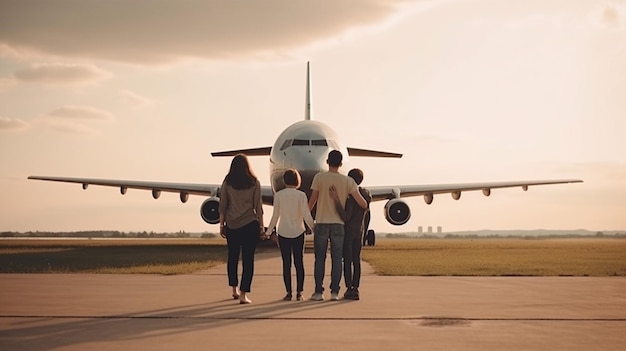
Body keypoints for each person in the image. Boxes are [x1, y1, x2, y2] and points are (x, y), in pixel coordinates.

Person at [307, 150, 368, 301]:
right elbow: (363, 203)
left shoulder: (319, 178)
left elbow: (312, 201)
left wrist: (307, 219)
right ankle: (334, 293)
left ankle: (318, 292)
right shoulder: (348, 181)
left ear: (327, 161)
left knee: (319, 259)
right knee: (337, 259)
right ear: (341, 164)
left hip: (321, 222)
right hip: (338, 225)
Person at [218, 154, 265, 304]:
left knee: (232, 258)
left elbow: (223, 205)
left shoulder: (227, 182)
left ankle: (234, 289)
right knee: (248, 260)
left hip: (232, 225)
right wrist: (261, 227)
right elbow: (258, 207)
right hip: (250, 224)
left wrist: (221, 224)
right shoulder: (254, 182)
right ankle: (244, 294)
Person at [265, 169, 315, 301]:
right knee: (299, 263)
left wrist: (268, 232)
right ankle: (299, 293)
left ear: (284, 180)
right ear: (297, 181)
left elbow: (275, 216)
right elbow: (306, 215)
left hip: (283, 232)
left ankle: (288, 293)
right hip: (298, 232)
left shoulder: (279, 195)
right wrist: (315, 228)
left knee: (286, 264)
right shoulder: (301, 195)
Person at [329, 168, 371, 300]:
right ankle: (356, 288)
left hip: (348, 232)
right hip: (360, 231)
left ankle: (349, 289)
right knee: (356, 260)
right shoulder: (366, 194)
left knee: (347, 260)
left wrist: (336, 200)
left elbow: (346, 216)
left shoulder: (352, 196)